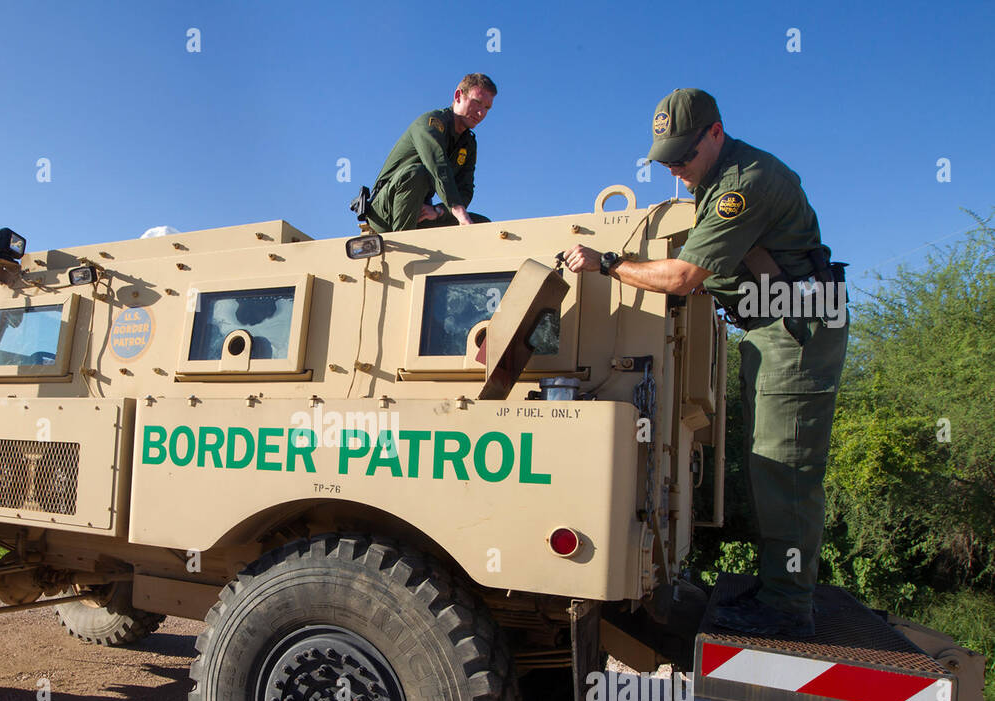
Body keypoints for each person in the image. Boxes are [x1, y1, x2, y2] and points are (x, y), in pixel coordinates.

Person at [562, 88, 848, 639]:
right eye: (666, 159)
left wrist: (608, 264)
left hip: (797, 330)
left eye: (683, 156)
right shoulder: (717, 183)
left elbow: (685, 276)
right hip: (773, 329)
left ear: (715, 133)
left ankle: (789, 608)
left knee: (783, 469)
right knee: (766, 464)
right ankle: (778, 591)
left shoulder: (745, 184)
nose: (675, 168)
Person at [362, 74, 496, 232]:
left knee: (482, 225)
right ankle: (405, 248)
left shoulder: (468, 144)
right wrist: (459, 212)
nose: (481, 113)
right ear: (458, 96)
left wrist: (439, 211)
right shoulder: (430, 124)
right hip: (384, 212)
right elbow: (438, 165)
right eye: (477, 102)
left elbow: (465, 190)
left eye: (487, 108)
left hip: (419, 211)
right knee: (416, 173)